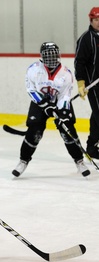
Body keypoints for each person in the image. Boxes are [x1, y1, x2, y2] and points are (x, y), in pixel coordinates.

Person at [12, 42, 90, 178]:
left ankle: (79, 161)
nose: (51, 59)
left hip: (58, 103)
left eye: (53, 56)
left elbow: (65, 95)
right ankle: (23, 161)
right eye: (48, 56)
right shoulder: (33, 70)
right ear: (42, 57)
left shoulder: (66, 73)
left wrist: (63, 111)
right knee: (34, 132)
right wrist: (44, 104)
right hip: (39, 103)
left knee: (68, 130)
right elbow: (31, 89)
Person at [75, 7, 99, 159]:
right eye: (96, 20)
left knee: (97, 117)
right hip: (94, 86)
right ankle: (91, 147)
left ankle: (91, 147)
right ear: (91, 21)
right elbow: (80, 62)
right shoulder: (86, 38)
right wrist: (81, 83)